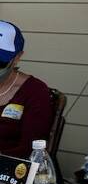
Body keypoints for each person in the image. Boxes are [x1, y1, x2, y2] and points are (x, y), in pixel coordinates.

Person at [0, 21, 52, 159]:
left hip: (11, 172)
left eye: (0, 62)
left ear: (17, 57)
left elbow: (30, 148)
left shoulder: (34, 91)